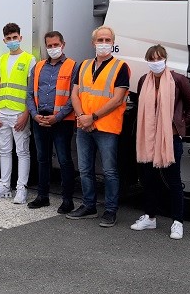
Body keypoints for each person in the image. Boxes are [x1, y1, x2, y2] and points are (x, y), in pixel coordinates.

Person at [130, 45, 190, 240]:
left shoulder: (178, 80)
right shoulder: (144, 80)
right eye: (151, 59)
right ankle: (150, 217)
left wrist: (181, 123)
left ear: (165, 59)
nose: (155, 62)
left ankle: (177, 222)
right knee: (148, 179)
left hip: (170, 138)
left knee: (174, 180)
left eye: (159, 58)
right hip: (148, 138)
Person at [67, 26, 129, 227]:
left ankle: (110, 210)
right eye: (100, 40)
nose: (104, 43)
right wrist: (82, 117)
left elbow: (118, 99)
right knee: (85, 169)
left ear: (113, 42)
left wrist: (91, 117)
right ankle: (89, 206)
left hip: (106, 128)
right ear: (93, 42)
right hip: (84, 125)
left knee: (109, 171)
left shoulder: (120, 67)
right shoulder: (84, 65)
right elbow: (75, 94)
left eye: (107, 40)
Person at [26, 31, 76, 213]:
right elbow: (30, 93)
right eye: (49, 45)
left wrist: (58, 117)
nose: (53, 48)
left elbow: (73, 97)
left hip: (61, 121)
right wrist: (34, 114)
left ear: (63, 44)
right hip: (40, 119)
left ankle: (68, 200)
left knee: (64, 160)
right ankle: (42, 196)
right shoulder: (38, 67)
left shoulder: (73, 66)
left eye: (56, 45)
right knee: (42, 159)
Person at [0, 23, 35, 204]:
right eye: (8, 38)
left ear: (20, 38)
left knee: (22, 152)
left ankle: (21, 189)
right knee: (4, 151)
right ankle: (4, 186)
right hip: (2, 112)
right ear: (4, 40)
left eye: (15, 37)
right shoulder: (3, 59)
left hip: (18, 113)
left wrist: (26, 113)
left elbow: (31, 89)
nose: (12, 41)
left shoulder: (29, 59)